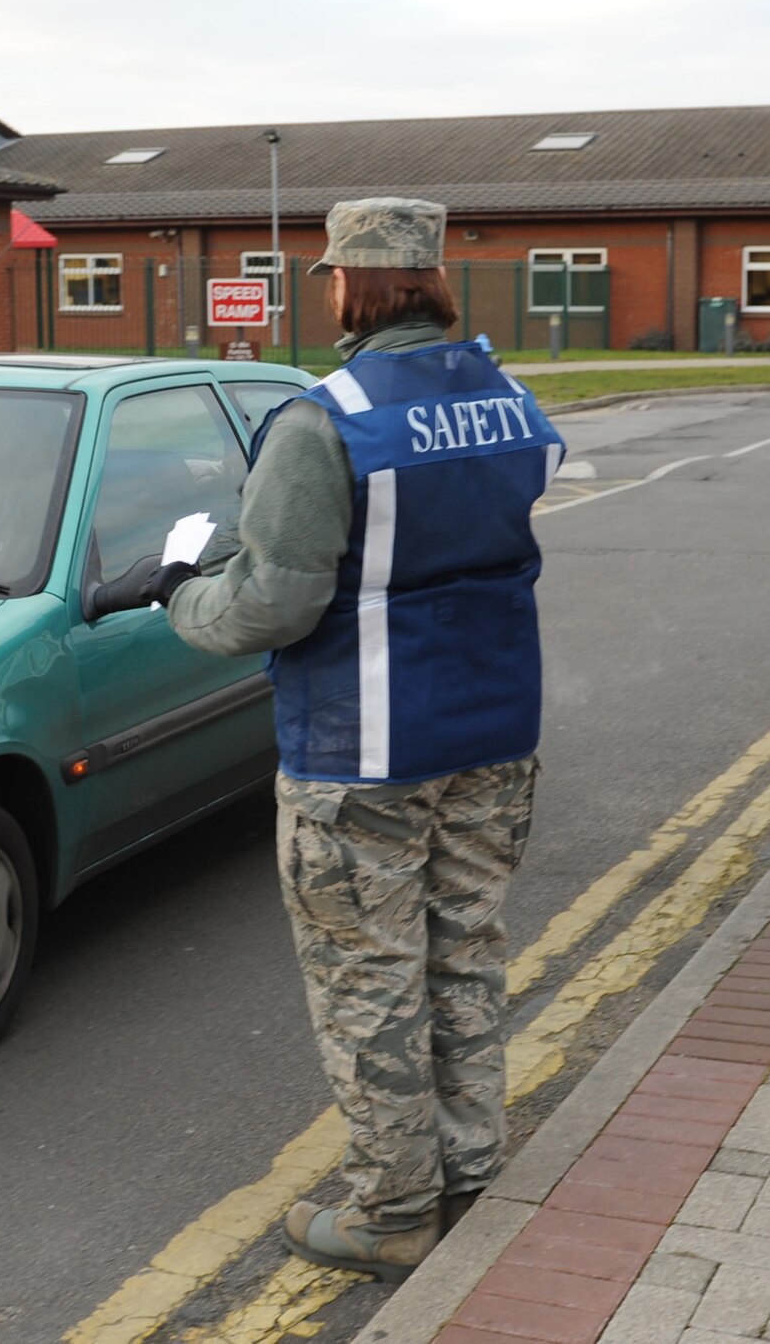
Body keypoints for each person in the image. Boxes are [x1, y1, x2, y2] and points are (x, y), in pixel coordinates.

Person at [107, 197, 564, 1281]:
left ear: (353, 283)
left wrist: (180, 592)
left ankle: (393, 1211)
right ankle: (467, 1167)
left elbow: (271, 606)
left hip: (360, 744)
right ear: (433, 278)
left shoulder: (326, 418)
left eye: (325, 277)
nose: (322, 292)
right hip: (493, 729)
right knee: (462, 956)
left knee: (368, 981)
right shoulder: (507, 396)